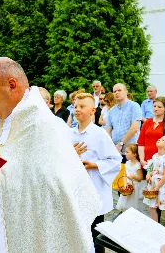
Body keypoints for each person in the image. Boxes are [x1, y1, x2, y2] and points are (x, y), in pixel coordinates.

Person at [0, 57, 101, 253]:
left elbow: (56, 186)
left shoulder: (40, 124)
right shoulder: (10, 119)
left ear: (11, 85)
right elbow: (7, 168)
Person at [70, 93, 121, 253]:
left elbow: (114, 160)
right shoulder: (69, 134)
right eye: (75, 106)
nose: (77, 109)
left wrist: (95, 165)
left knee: (94, 236)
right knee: (77, 234)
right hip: (75, 190)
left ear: (92, 110)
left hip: (94, 190)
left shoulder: (99, 134)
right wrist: (71, 154)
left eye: (82, 106)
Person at [143, 135, 165, 231]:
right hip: (153, 185)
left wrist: (157, 187)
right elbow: (153, 169)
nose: (159, 139)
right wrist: (148, 174)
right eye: (160, 138)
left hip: (162, 186)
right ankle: (155, 229)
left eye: (163, 140)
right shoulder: (155, 156)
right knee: (152, 207)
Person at [138, 97, 165, 167]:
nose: (155, 109)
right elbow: (141, 143)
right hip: (147, 162)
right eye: (154, 106)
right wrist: (141, 159)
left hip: (164, 164)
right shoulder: (147, 122)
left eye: (159, 107)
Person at [105, 83, 142, 162]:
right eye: (114, 91)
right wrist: (112, 145)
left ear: (126, 91)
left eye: (119, 90)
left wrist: (120, 144)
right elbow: (108, 129)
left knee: (131, 173)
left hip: (131, 150)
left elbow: (134, 128)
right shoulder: (111, 111)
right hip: (115, 150)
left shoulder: (134, 106)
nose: (117, 93)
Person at [116, 143, 145, 212]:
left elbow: (140, 177)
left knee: (133, 204)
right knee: (125, 203)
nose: (125, 154)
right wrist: (125, 183)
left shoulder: (138, 165)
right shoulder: (127, 163)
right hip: (127, 186)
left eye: (127, 152)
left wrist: (133, 176)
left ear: (134, 154)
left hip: (134, 187)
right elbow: (125, 174)